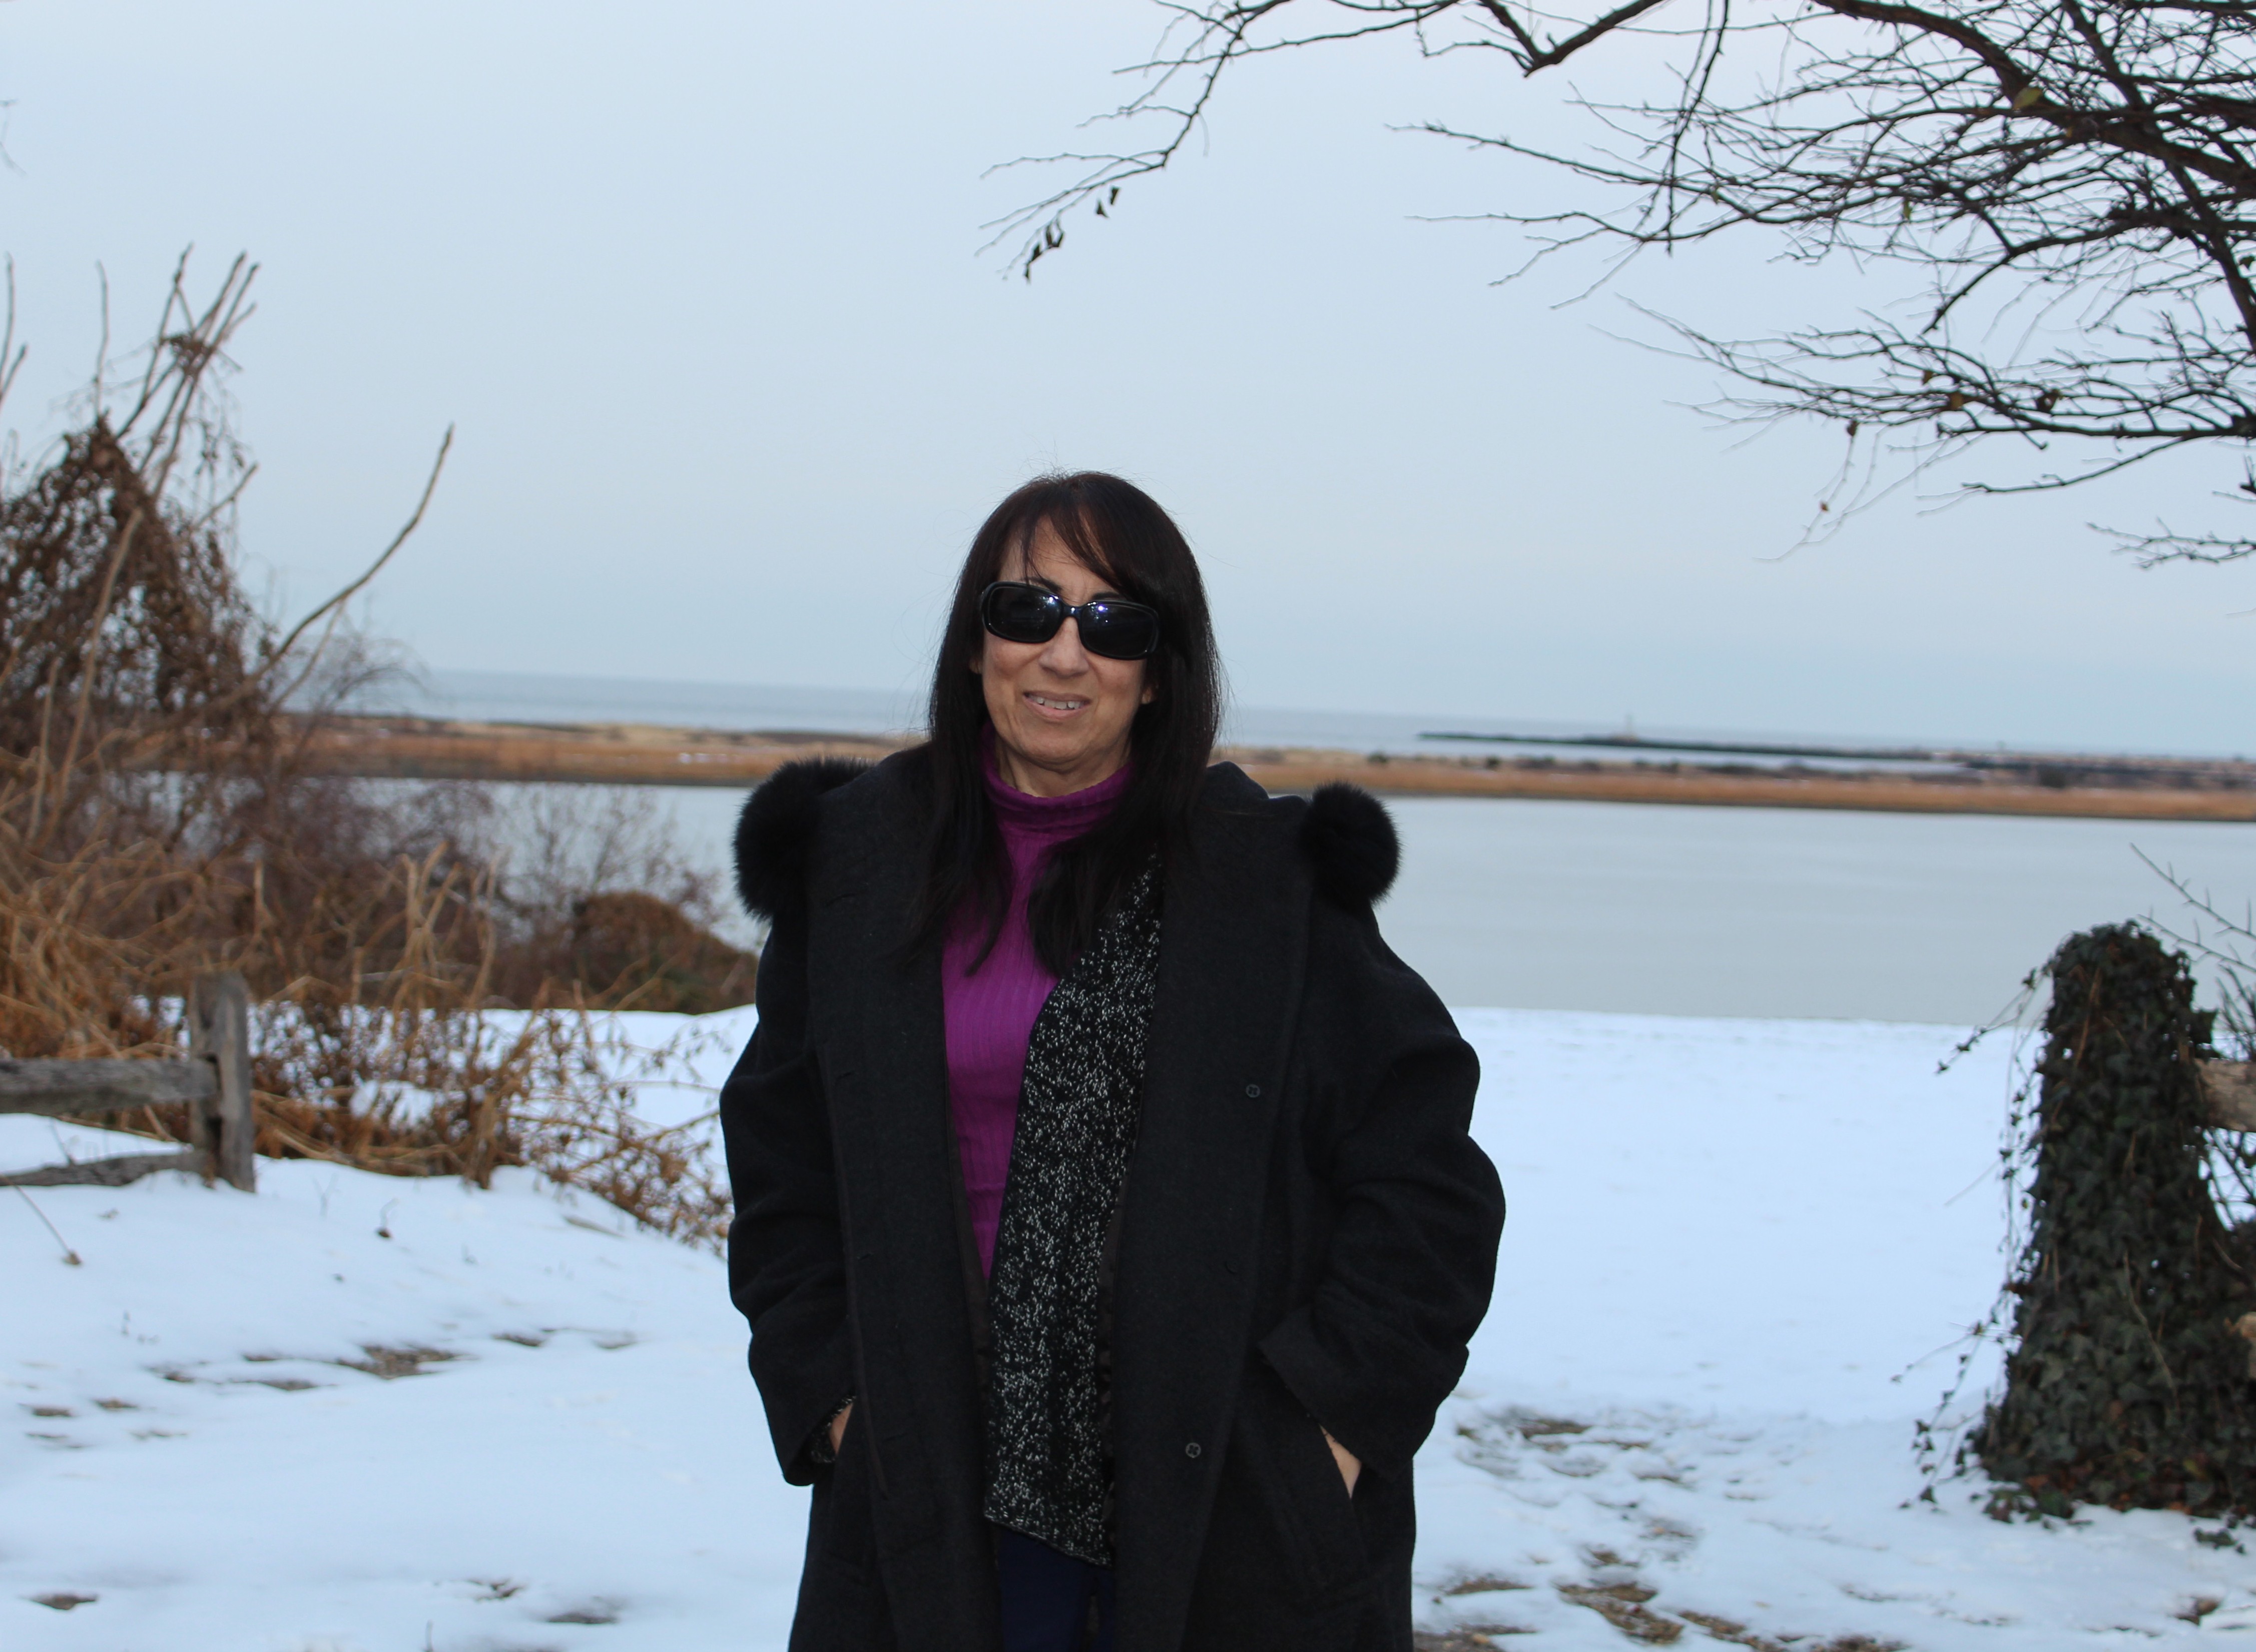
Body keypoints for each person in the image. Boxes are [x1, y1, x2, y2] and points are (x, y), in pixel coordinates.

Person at [721, 472, 1504, 1652]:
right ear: (975, 639)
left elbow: (1426, 1176)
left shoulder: (1270, 885)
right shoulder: (857, 870)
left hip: (1220, 1491)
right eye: (1027, 608)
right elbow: (782, 1165)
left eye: (1112, 622)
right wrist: (830, 1394)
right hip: (924, 1480)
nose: (1064, 652)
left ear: (1159, 668)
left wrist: (1328, 1421)